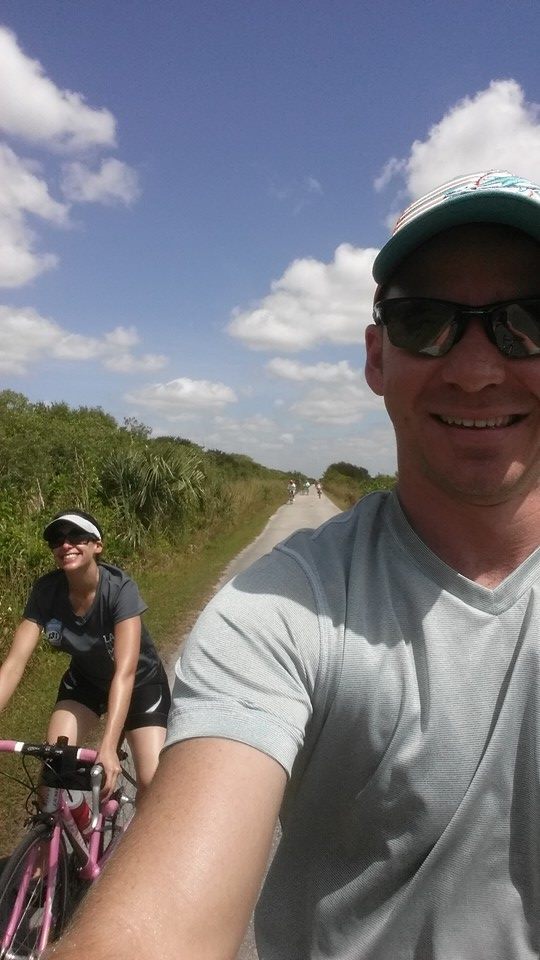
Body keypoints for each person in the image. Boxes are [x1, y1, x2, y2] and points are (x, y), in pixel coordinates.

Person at [46, 169, 540, 960]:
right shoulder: (279, 609)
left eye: (529, 319)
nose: (478, 368)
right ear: (377, 358)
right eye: (425, 321)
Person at [0, 509, 170, 799]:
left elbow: (125, 673)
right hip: (86, 681)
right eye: (57, 539)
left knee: (151, 781)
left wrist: (108, 745)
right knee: (52, 775)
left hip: (140, 685)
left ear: (97, 545)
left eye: (76, 536)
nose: (65, 544)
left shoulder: (120, 589)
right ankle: (71, 821)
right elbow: (14, 665)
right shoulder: (46, 591)